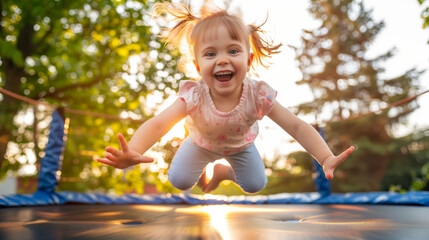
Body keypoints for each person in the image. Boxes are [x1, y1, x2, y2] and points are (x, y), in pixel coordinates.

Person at [97, 2, 354, 194]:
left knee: (255, 185)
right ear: (198, 67)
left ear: (248, 60)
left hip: (241, 146)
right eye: (210, 54)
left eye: (233, 51)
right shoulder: (193, 94)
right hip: (200, 144)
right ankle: (207, 167)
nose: (222, 59)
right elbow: (158, 123)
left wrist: (324, 157)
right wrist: (135, 149)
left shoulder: (258, 94)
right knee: (180, 181)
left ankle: (224, 171)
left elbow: (296, 125)